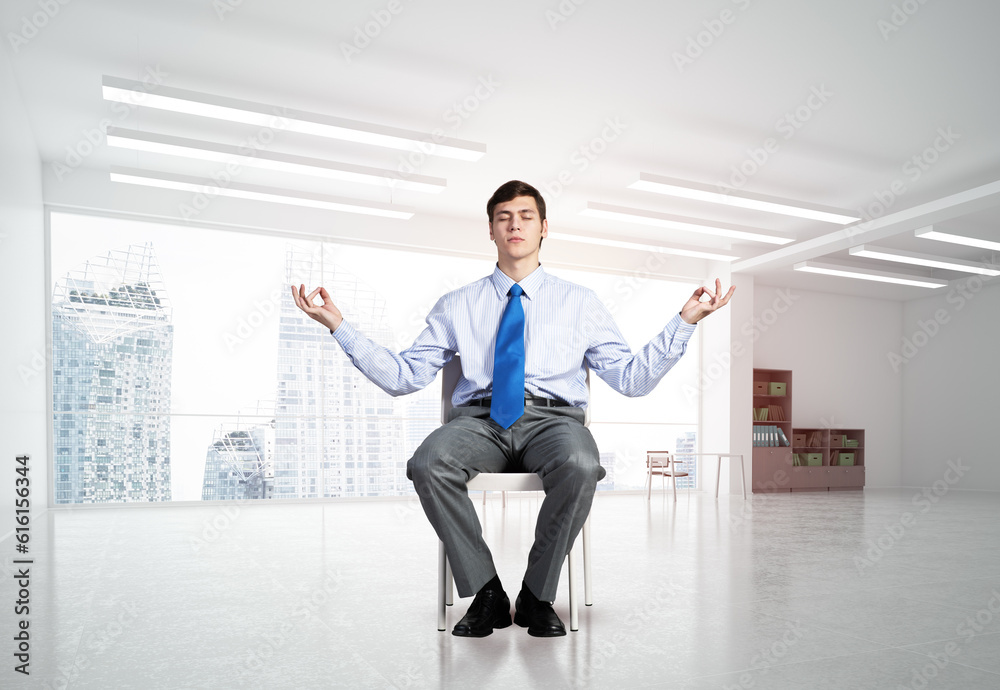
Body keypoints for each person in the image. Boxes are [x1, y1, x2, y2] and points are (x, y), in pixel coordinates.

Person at [291, 180, 734, 638]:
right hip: (478, 422)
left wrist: (685, 323)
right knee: (427, 463)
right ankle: (487, 593)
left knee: (582, 464)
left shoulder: (580, 303)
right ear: (491, 230)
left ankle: (536, 594)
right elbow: (404, 376)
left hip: (554, 421)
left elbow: (631, 379)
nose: (515, 224)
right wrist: (338, 326)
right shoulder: (456, 304)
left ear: (544, 228)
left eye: (525, 216)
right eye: (504, 217)